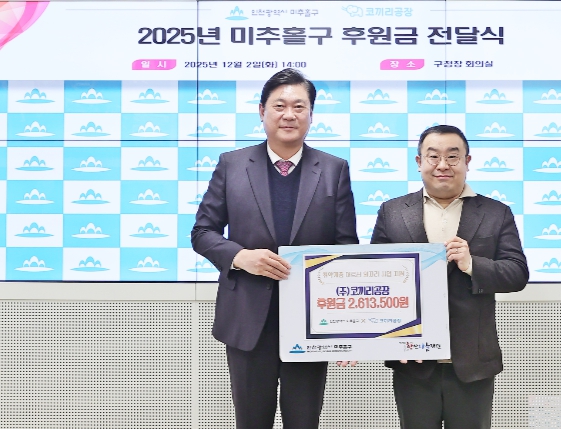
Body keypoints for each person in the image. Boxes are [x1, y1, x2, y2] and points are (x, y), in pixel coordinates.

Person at [191, 68, 358, 429]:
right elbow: (202, 232)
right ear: (262, 111)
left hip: (312, 322)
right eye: (279, 106)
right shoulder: (232, 165)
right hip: (248, 319)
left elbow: (346, 248)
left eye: (299, 106)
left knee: (304, 422)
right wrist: (239, 257)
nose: (289, 114)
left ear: (311, 114)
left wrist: (346, 328)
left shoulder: (334, 169)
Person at [370, 125, 529, 429]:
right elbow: (377, 280)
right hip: (412, 360)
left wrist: (472, 264)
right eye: (433, 156)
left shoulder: (496, 212)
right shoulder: (392, 212)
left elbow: (517, 273)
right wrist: (380, 339)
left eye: (452, 157)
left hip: (472, 362)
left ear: (467, 161)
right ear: (419, 162)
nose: (442, 165)